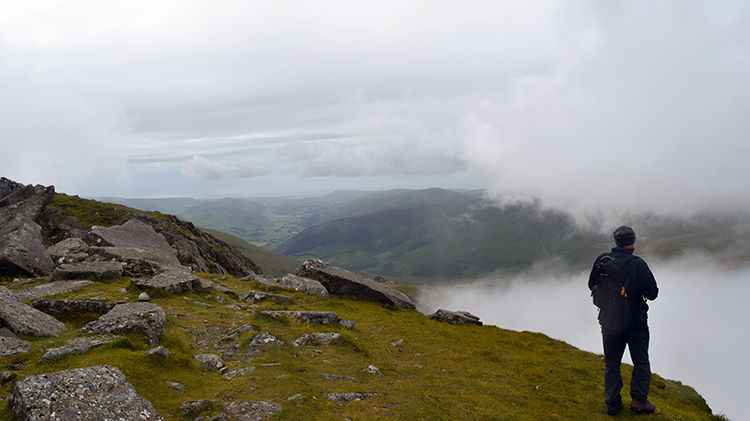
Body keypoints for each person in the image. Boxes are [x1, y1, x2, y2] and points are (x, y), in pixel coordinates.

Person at [588, 225, 659, 416]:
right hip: (634, 322)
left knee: (612, 364)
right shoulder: (638, 264)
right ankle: (639, 401)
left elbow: (591, 284)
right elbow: (652, 293)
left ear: (616, 241)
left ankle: (612, 404)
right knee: (641, 362)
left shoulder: (602, 260)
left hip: (609, 321)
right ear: (633, 241)